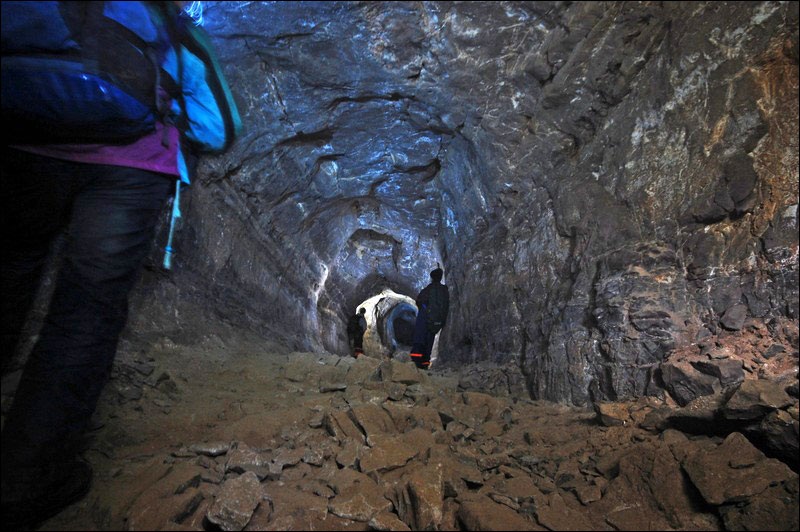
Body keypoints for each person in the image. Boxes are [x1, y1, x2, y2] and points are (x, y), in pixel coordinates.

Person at [1, 2, 241, 528]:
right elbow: (219, 127)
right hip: (126, 171)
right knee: (84, 315)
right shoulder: (166, 22)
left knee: (10, 279)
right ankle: (26, 481)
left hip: (23, 150)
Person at [410, 266, 449, 369]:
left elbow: (419, 300)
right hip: (436, 321)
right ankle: (425, 364)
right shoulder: (444, 290)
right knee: (429, 341)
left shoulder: (428, 289)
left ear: (432, 278)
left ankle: (415, 364)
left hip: (424, 317)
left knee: (419, 339)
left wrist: (424, 309)